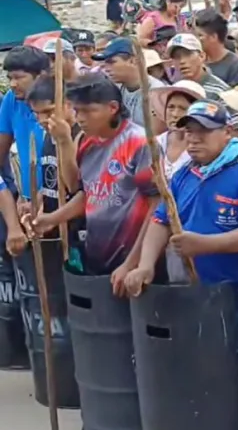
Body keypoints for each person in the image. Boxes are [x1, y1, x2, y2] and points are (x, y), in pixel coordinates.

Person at [122, 100, 238, 430]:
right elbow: (162, 220)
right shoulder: (185, 174)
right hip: (204, 290)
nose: (193, 139)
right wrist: (146, 265)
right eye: (188, 132)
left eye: (203, 132)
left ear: (227, 133)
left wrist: (204, 244)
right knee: (215, 367)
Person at [32, 74, 159, 285]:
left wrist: (132, 263)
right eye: (77, 111)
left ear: (113, 108)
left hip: (131, 259)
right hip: (97, 256)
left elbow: (157, 208)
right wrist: (52, 218)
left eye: (88, 111)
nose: (80, 118)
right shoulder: (85, 141)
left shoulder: (139, 143)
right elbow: (84, 192)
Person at [25, 76, 86, 272]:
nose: (42, 120)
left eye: (48, 112)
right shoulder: (48, 135)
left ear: (68, 104)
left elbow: (74, 186)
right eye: (36, 114)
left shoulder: (81, 136)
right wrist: (37, 207)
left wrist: (64, 141)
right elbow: (51, 181)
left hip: (76, 231)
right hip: (53, 230)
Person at [0, 46, 49, 208]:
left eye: (19, 78)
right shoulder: (11, 99)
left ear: (41, 76)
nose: (13, 84)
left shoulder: (57, 101)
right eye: (10, 78)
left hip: (57, 196)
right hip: (27, 198)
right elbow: (2, 145)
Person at [150, 81, 206, 179]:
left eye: (183, 108)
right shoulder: (156, 143)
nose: (175, 114)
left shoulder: (203, 149)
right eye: (171, 107)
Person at [165, 34, 231, 101]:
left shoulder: (221, 92)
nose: (182, 61)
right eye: (176, 57)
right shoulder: (174, 90)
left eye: (187, 54)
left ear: (202, 56)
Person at [194, 8, 238, 87]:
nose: (196, 39)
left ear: (213, 37)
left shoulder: (235, 65)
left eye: (200, 35)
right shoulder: (197, 61)